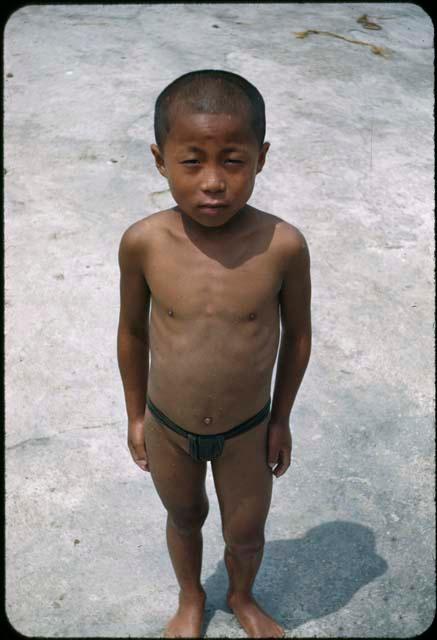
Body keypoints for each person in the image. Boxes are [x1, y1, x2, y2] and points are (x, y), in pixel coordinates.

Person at [117, 69, 312, 638]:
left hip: (248, 430)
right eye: (191, 160)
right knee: (184, 517)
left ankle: (243, 597)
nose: (213, 182)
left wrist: (281, 418)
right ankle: (190, 597)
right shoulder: (144, 242)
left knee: (246, 532)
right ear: (160, 159)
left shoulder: (283, 246)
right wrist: (135, 416)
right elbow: (131, 332)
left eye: (232, 160)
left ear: (261, 157)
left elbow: (297, 336)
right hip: (169, 425)